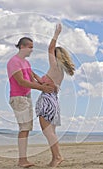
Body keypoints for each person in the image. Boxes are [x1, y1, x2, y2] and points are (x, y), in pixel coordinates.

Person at [7, 37, 55, 168]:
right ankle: (22, 160)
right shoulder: (14, 62)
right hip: (18, 98)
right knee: (24, 128)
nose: (32, 50)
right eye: (30, 47)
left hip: (26, 97)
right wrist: (42, 88)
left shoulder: (25, 62)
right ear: (22, 47)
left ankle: (23, 159)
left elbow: (31, 75)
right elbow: (21, 81)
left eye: (32, 47)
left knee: (26, 128)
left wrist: (42, 82)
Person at [35, 23, 75, 167]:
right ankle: (55, 158)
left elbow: (50, 48)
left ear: (57, 56)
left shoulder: (55, 65)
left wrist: (56, 34)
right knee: (51, 132)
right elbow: (41, 82)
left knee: (48, 132)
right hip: (54, 102)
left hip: (47, 101)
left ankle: (57, 157)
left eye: (53, 54)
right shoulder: (59, 71)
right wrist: (30, 72)